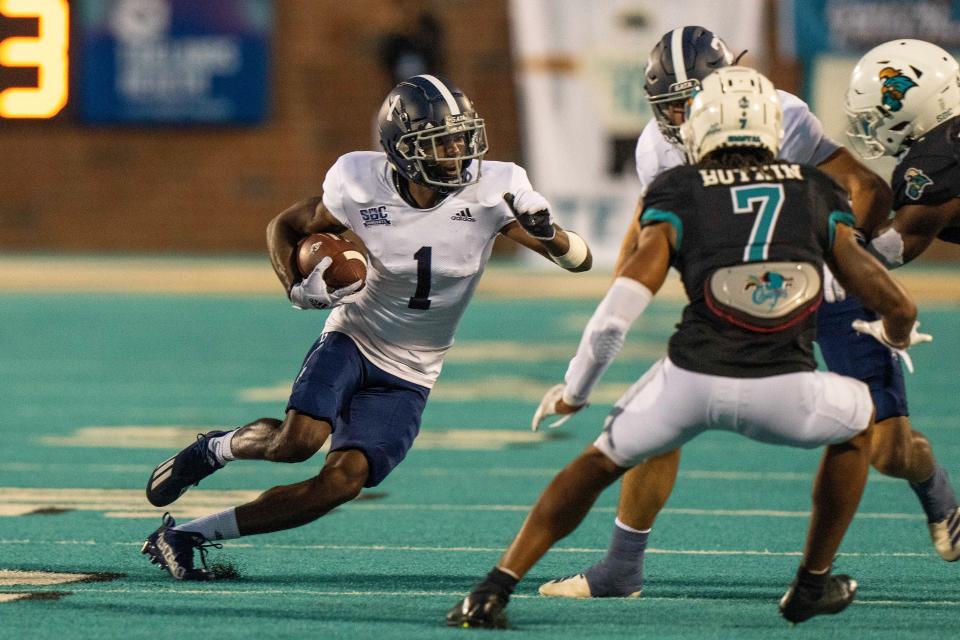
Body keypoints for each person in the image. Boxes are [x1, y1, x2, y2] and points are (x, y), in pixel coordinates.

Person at [447, 66, 929, 629]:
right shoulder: (818, 189)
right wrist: (892, 336)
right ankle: (810, 584)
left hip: (690, 381)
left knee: (598, 462)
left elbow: (614, 317)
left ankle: (493, 588)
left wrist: (574, 393)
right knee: (860, 424)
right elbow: (898, 306)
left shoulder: (676, 190)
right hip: (787, 388)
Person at [539, 25, 959, 601]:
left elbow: (867, 190)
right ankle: (622, 567)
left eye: (697, 97)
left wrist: (841, 257)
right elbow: (648, 236)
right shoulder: (656, 149)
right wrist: (626, 299)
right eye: (674, 104)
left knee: (888, 450)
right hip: (738, 298)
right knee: (659, 420)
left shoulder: (779, 114)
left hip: (827, 293)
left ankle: (938, 497)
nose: (688, 115)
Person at [139, 74, 593, 580]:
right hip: (355, 336)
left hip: (416, 366)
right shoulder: (358, 180)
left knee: (343, 482)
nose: (458, 153)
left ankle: (188, 534)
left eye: (462, 139)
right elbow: (285, 226)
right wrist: (295, 285)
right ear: (402, 150)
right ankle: (213, 449)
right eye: (441, 142)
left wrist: (549, 234)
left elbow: (581, 261)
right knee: (296, 445)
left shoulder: (497, 189)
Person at [845, 38, 960, 555]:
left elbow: (893, 248)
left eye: (880, 112)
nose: (873, 126)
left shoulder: (938, 157)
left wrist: (821, 245)